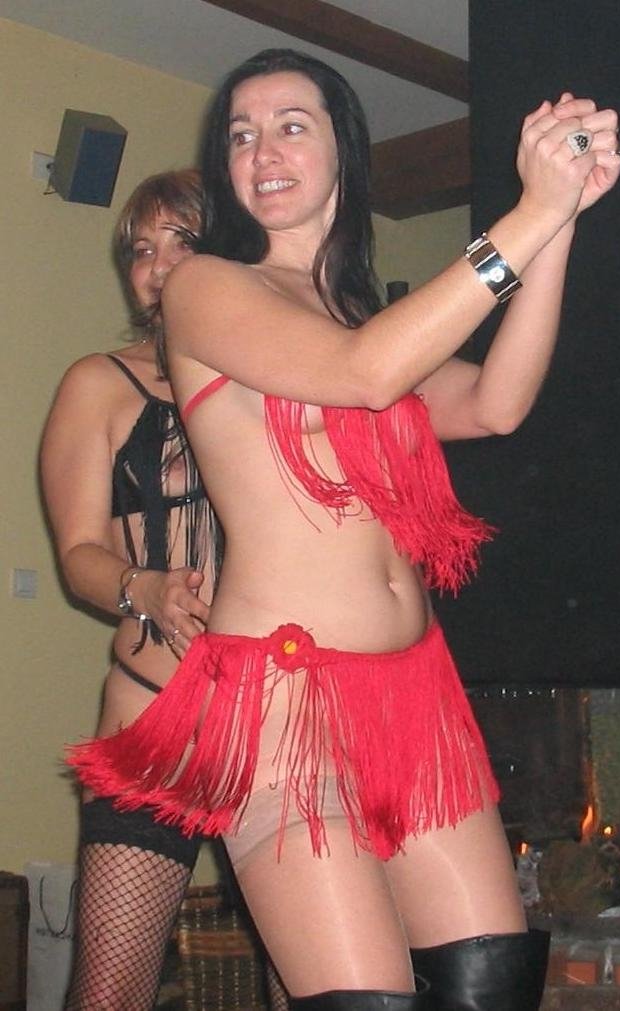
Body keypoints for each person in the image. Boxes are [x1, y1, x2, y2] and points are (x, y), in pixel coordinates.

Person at [68, 47, 620, 1010]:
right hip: (286, 705)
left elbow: (495, 402)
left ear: (342, 153)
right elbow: (366, 373)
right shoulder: (208, 288)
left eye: (292, 126)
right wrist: (526, 215)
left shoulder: (361, 315)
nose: (263, 150)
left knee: (490, 980)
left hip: (415, 699)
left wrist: (561, 218)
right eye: (241, 135)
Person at [42, 169, 288, 1011]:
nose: (156, 265)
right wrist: (141, 584)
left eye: (180, 239)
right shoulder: (98, 383)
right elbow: (77, 552)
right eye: (140, 250)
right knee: (109, 995)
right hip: (156, 718)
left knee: (314, 988)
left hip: (279, 719)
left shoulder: (282, 368)